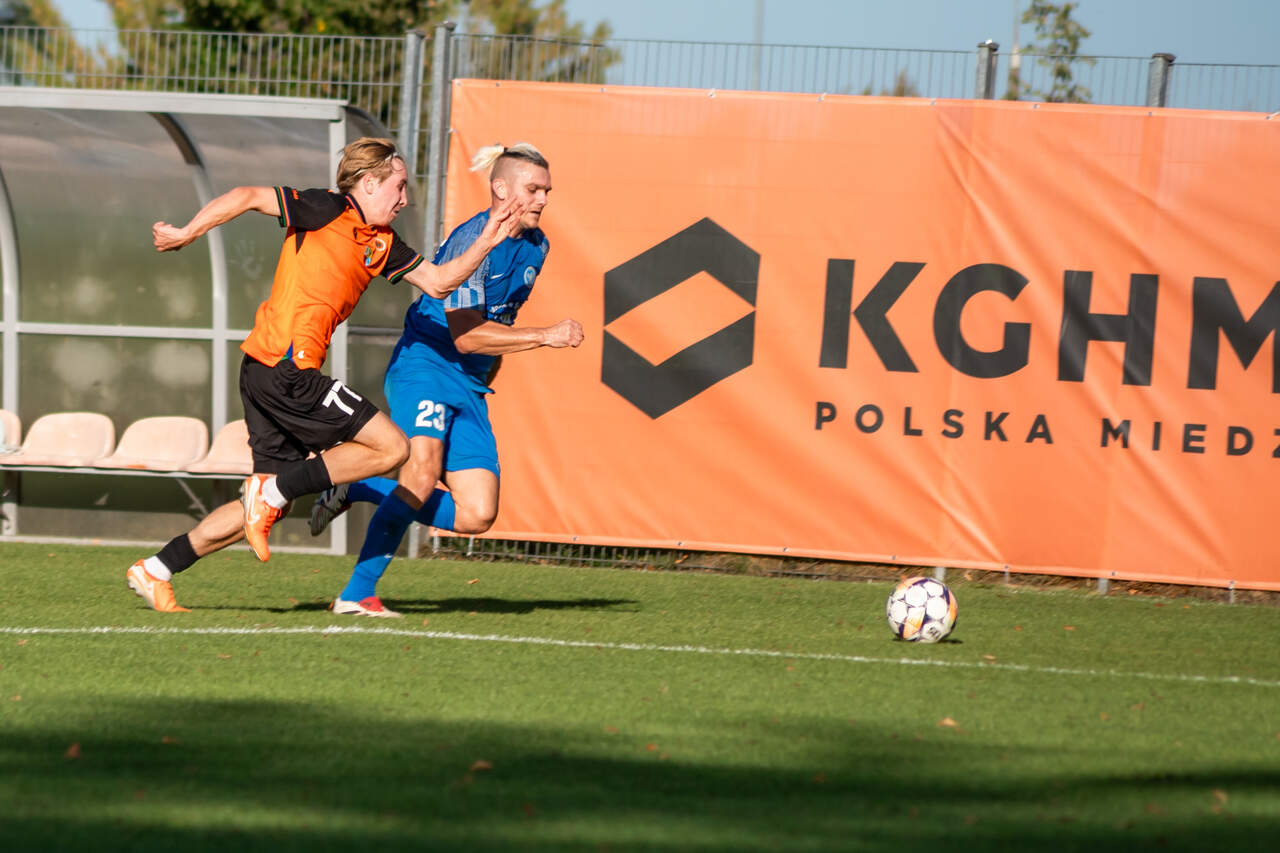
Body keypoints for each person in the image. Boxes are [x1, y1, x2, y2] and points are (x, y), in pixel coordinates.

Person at [126, 137, 524, 613]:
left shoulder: (382, 242)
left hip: (266, 372)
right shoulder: (325, 208)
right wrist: (189, 231)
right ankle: (275, 491)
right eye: (398, 186)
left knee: (269, 504)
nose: (404, 199)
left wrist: (486, 240)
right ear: (369, 182)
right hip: (285, 369)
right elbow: (247, 196)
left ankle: (157, 568)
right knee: (392, 448)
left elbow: (439, 283)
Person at [309, 142, 583, 617]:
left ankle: (360, 488)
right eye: (533, 189)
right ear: (501, 189)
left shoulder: (538, 245)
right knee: (422, 471)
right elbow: (467, 336)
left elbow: (497, 324)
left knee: (478, 514)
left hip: (470, 385)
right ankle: (357, 594)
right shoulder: (471, 240)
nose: (542, 199)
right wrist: (545, 336)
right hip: (426, 366)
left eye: (547, 191)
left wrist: (487, 376)